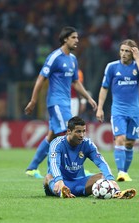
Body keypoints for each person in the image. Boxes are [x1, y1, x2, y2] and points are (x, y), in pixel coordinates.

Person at [24, 26, 97, 178]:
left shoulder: (73, 60)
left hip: (66, 102)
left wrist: (88, 98)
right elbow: (41, 79)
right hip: (56, 102)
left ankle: (32, 168)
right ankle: (71, 171)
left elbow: (76, 82)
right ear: (65, 39)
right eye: (74, 38)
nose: (77, 41)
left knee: (51, 136)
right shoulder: (54, 57)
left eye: (77, 38)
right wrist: (33, 101)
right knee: (68, 133)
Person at [96, 39, 139, 182]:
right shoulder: (112, 67)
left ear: (133, 52)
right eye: (122, 50)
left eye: (127, 51)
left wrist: (138, 59)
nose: (123, 54)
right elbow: (104, 88)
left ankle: (125, 172)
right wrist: (100, 108)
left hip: (134, 112)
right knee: (120, 138)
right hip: (118, 110)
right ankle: (120, 172)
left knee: (130, 143)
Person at [43, 116, 136, 199]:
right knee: (48, 177)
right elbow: (54, 163)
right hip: (61, 183)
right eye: (78, 131)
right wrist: (59, 180)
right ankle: (62, 192)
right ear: (68, 131)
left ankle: (117, 193)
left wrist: (111, 180)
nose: (82, 135)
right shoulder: (57, 144)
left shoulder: (87, 144)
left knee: (102, 176)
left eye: (84, 131)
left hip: (80, 183)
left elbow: (101, 162)